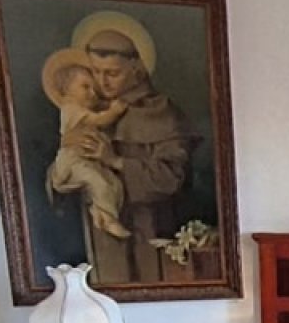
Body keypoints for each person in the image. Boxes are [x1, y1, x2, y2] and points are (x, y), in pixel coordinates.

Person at [53, 15, 197, 284]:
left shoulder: (163, 113)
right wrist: (66, 159)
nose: (102, 82)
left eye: (112, 73)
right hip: (101, 238)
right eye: (95, 73)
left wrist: (114, 160)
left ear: (137, 69)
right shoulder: (86, 114)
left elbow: (170, 178)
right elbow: (61, 180)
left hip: (148, 230)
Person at [42, 49, 131, 240]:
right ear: (66, 93)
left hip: (87, 162)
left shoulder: (79, 109)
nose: (92, 93)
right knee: (98, 182)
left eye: (93, 89)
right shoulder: (70, 109)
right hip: (72, 164)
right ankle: (109, 220)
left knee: (114, 185)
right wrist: (115, 111)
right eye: (85, 87)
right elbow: (99, 120)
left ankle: (100, 213)